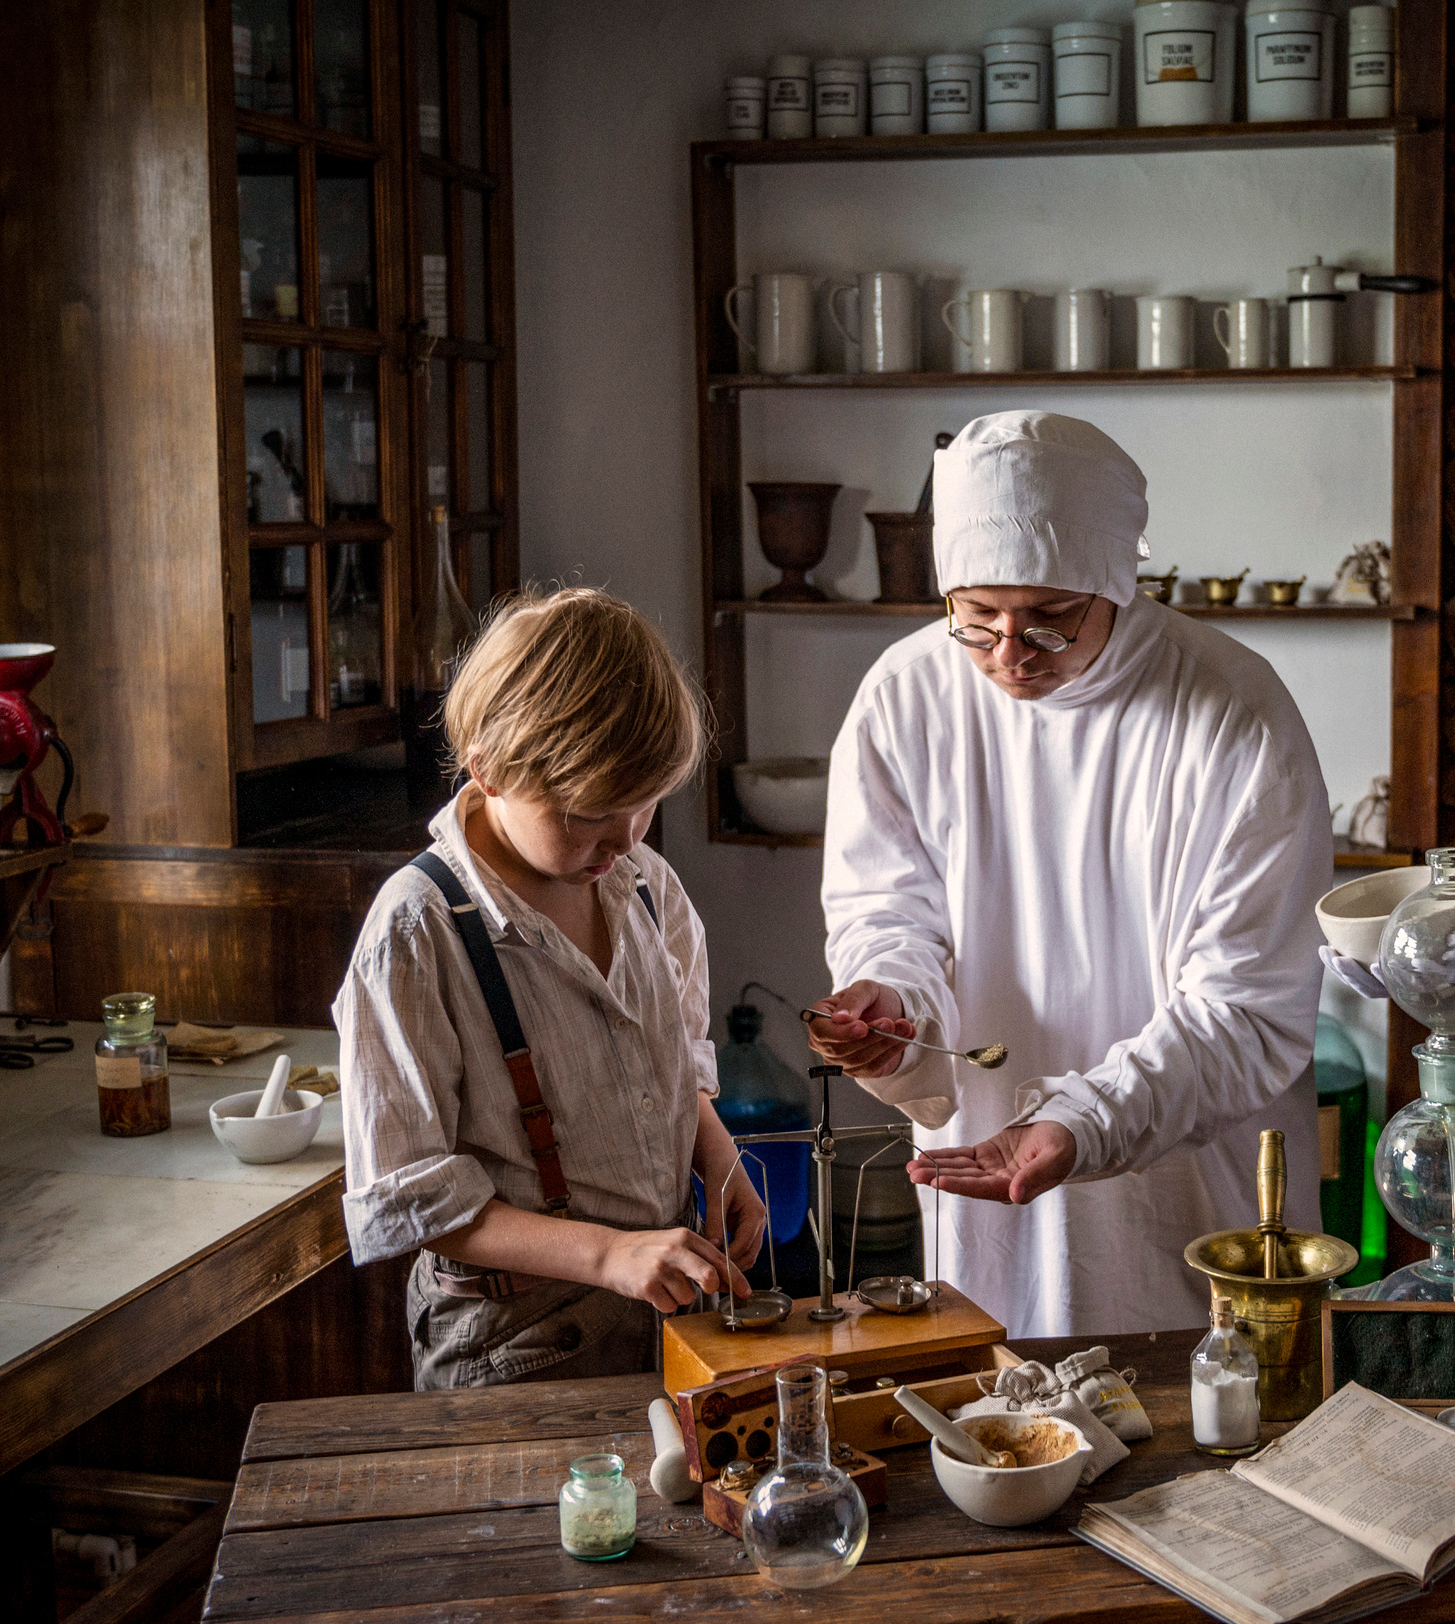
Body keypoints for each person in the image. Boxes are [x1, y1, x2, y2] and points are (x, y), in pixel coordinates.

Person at [810, 410, 1331, 1338]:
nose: (1009, 654)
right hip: (985, 1155)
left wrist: (1085, 1121)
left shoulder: (1230, 712)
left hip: (1188, 1177)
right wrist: (894, 1002)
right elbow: (887, 906)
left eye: (1050, 620)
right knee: (1002, 1411)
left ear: (1115, 583)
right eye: (977, 620)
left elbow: (1246, 1009)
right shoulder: (905, 695)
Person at [335, 587, 763, 1390]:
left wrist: (721, 1160)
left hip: (663, 1300)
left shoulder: (646, 888)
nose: (623, 839)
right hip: (514, 1339)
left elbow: (675, 1068)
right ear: (489, 771)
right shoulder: (418, 933)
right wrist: (607, 1252)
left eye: (644, 806)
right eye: (589, 813)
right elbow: (416, 1203)